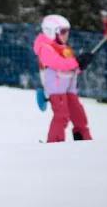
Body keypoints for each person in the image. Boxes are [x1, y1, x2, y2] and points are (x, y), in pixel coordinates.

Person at [34, 14, 95, 143]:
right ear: (51, 31)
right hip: (56, 90)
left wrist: (81, 65)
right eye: (62, 31)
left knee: (79, 115)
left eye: (67, 31)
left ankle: (83, 140)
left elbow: (70, 69)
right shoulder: (45, 48)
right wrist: (76, 62)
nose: (66, 35)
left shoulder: (65, 49)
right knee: (62, 116)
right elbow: (58, 64)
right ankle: (54, 143)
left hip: (68, 90)